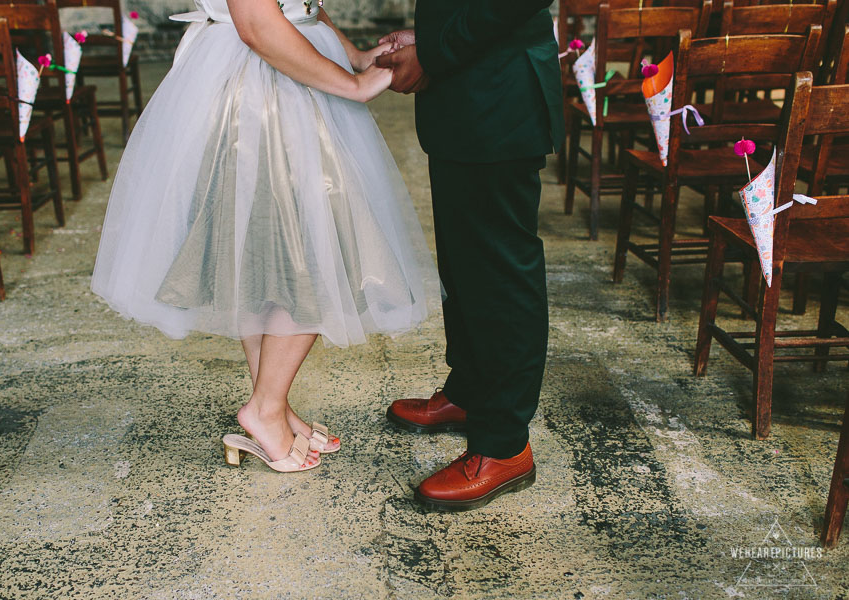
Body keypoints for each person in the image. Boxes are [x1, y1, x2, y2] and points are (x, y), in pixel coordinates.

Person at [91, 0, 437, 473]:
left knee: (264, 252)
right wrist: (354, 85)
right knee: (318, 249)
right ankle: (264, 409)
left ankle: (271, 404)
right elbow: (256, 21)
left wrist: (354, 55)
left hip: (275, 70)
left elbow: (298, 6)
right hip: (266, 85)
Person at [376, 0, 564, 510]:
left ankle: (504, 443)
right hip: (466, 95)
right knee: (464, 264)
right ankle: (471, 394)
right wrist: (428, 35)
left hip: (498, 95)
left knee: (501, 273)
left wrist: (434, 52)